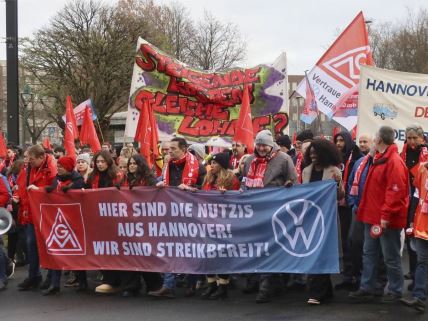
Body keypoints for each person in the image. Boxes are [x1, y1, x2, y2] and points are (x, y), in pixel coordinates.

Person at [349, 126, 410, 303]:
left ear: (380, 140)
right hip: (372, 216)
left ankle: (395, 291)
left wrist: (385, 216)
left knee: (390, 257)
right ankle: (367, 287)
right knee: (369, 253)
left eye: (375, 137)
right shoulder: (380, 159)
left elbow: (395, 192)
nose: (373, 140)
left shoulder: (393, 162)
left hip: (386, 220)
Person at [241, 129, 297, 303]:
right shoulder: (249, 160)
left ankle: (266, 287)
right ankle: (258, 281)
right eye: (258, 144)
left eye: (264, 144)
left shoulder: (284, 159)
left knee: (269, 248)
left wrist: (288, 184)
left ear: (271, 144)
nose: (261, 148)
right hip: (254, 211)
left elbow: (294, 180)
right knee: (255, 246)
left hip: (274, 210)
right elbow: (245, 182)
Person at [149, 137, 206, 299]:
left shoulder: (198, 167)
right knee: (168, 249)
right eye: (168, 149)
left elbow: (206, 189)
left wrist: (191, 188)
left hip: (190, 215)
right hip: (170, 214)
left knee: (191, 250)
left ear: (184, 149)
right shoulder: (168, 166)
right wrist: (158, 184)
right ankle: (168, 286)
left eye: (173, 149)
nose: (169, 152)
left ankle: (191, 283)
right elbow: (161, 182)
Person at [301, 139, 344, 305]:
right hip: (310, 218)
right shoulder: (305, 171)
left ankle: (316, 293)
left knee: (321, 252)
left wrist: (338, 182)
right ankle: (325, 291)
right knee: (314, 251)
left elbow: (340, 197)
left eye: (315, 153)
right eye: (310, 153)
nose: (312, 156)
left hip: (327, 218)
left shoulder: (334, 170)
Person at [118, 154, 162, 297]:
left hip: (145, 223)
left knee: (145, 255)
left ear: (141, 165)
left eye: (134, 163)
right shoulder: (124, 180)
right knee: (129, 255)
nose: (131, 166)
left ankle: (154, 284)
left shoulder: (149, 180)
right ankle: (131, 286)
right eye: (130, 163)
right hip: (128, 223)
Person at [42, 156, 85, 295]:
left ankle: (82, 282)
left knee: (76, 253)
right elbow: (53, 189)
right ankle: (54, 284)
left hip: (73, 221)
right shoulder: (57, 179)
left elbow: (78, 190)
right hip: (58, 220)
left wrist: (69, 188)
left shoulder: (78, 179)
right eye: (58, 166)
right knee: (56, 251)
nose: (58, 168)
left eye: (61, 166)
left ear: (68, 168)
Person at [200, 152, 240, 300]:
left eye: (215, 163)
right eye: (212, 163)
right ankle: (211, 284)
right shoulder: (208, 177)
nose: (212, 165)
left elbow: (236, 200)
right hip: (208, 221)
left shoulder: (231, 179)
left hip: (223, 222)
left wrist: (226, 194)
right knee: (208, 253)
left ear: (222, 165)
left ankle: (223, 286)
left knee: (221, 254)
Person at [18, 145, 57, 291]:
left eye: (31, 159)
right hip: (32, 212)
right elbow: (24, 187)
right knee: (31, 244)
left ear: (41, 157)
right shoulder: (28, 168)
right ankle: (33, 276)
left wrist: (38, 190)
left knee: (49, 246)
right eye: (27, 158)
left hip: (46, 214)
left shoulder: (52, 168)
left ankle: (51, 277)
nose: (28, 161)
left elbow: (54, 190)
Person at [86, 150, 123, 294]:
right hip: (98, 219)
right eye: (98, 162)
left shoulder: (117, 176)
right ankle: (107, 279)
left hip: (113, 219)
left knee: (114, 249)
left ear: (108, 162)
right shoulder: (92, 177)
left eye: (102, 161)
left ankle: (115, 280)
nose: (100, 164)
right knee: (103, 249)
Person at [334, 131, 364, 290]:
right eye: (337, 141)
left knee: (353, 241)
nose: (339, 144)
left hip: (351, 205)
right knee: (343, 241)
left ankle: (357, 275)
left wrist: (352, 202)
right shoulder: (335, 158)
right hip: (338, 204)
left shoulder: (358, 157)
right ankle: (347, 274)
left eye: (341, 141)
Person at [400, 125, 428, 289]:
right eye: (408, 138)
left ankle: (420, 279)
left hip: (421, 197)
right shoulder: (402, 153)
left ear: (421, 139)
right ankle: (414, 272)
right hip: (406, 196)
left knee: (420, 241)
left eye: (414, 138)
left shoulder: (425, 154)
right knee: (410, 236)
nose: (411, 141)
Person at [400, 161, 428, 312]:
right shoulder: (422, 168)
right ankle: (419, 297)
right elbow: (417, 195)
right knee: (422, 261)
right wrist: (411, 219)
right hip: (423, 226)